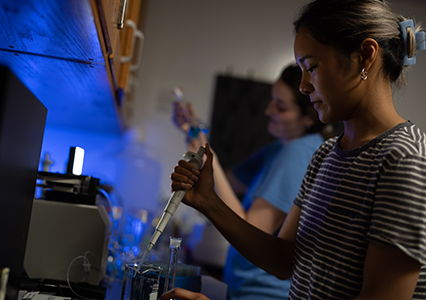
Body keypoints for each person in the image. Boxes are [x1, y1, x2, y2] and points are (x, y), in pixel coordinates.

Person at [161, 0, 426, 299]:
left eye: (311, 67)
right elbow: (283, 260)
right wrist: (208, 202)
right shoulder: (326, 155)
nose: (303, 86)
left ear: (365, 56)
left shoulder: (404, 160)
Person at [172, 64, 328, 300]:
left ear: (308, 117)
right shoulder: (280, 147)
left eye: (281, 106)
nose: (268, 110)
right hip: (244, 288)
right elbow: (227, 182)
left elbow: (251, 229)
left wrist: (204, 151)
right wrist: (195, 136)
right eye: (272, 100)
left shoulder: (299, 153)